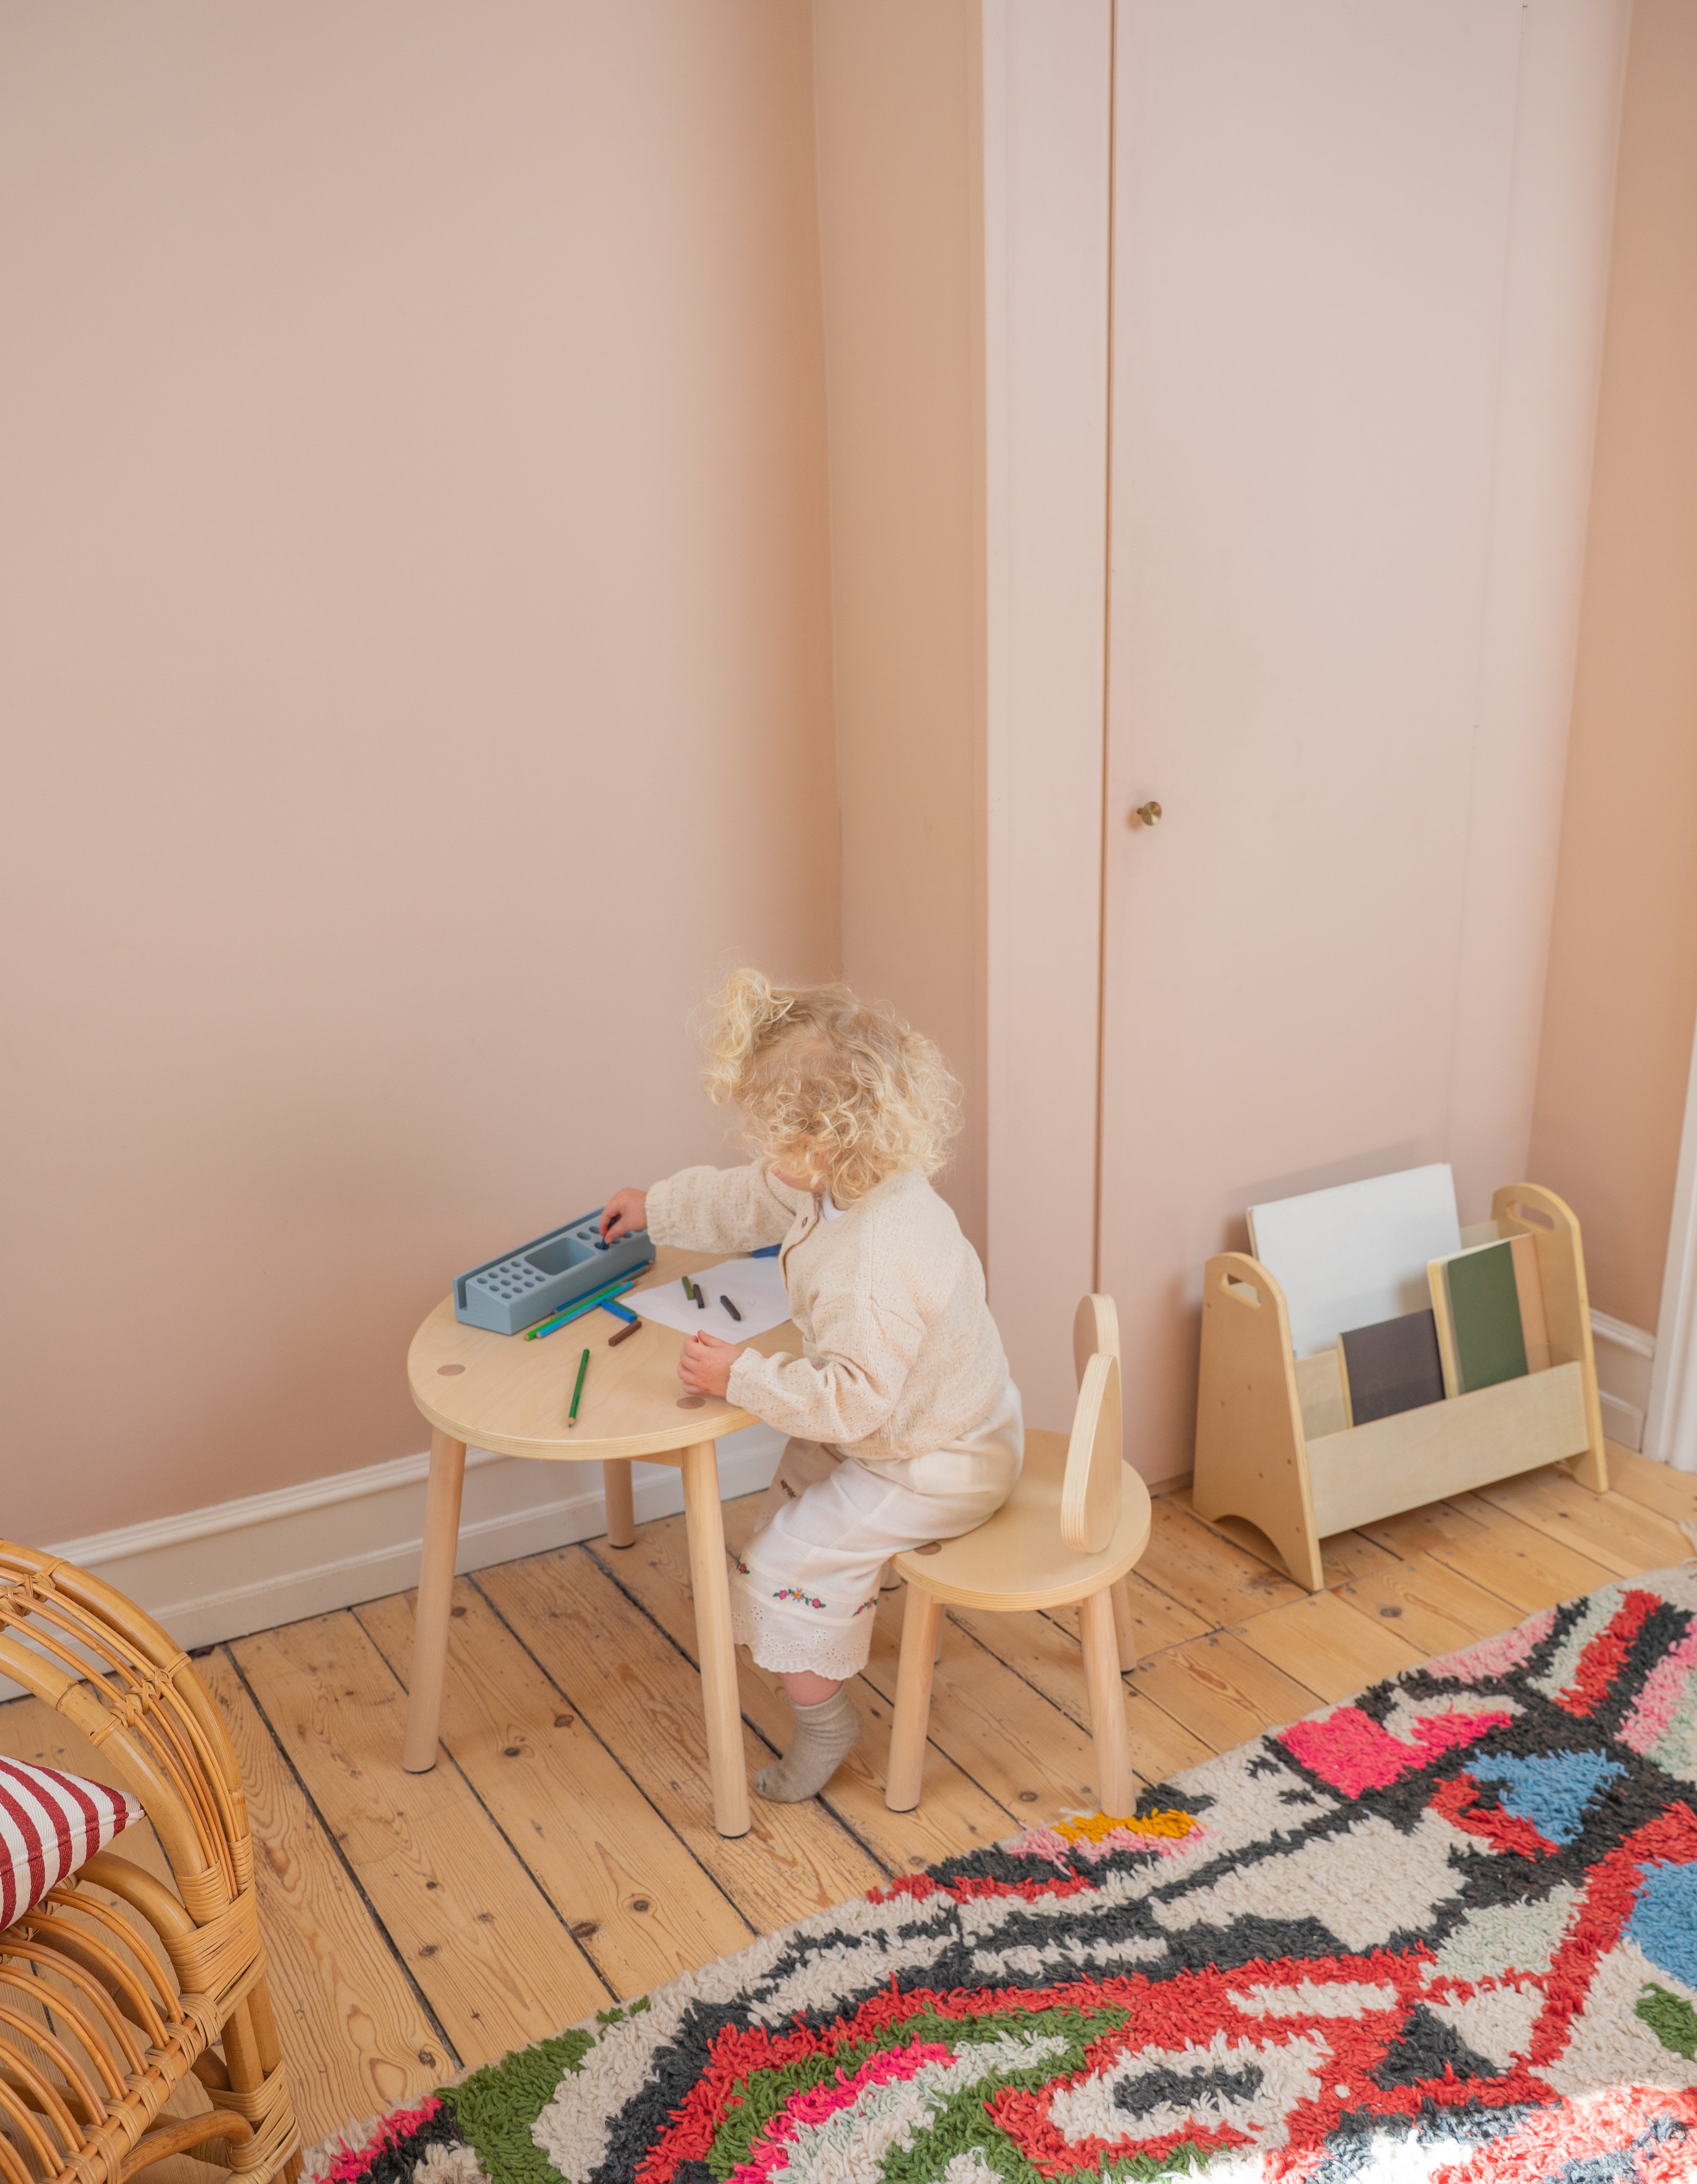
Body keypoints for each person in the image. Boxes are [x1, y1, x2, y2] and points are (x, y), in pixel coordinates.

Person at [599, 969, 1022, 1803]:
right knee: (789, 1493)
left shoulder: (871, 1261)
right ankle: (843, 1608)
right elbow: (747, 1200)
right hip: (934, 1424)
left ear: (824, 1141)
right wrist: (658, 1206)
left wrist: (739, 1374)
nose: (762, 1155)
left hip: (932, 1461)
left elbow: (854, 1399)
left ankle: (825, 1723)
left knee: (779, 1561)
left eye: (773, 1138)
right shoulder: (851, 1179)